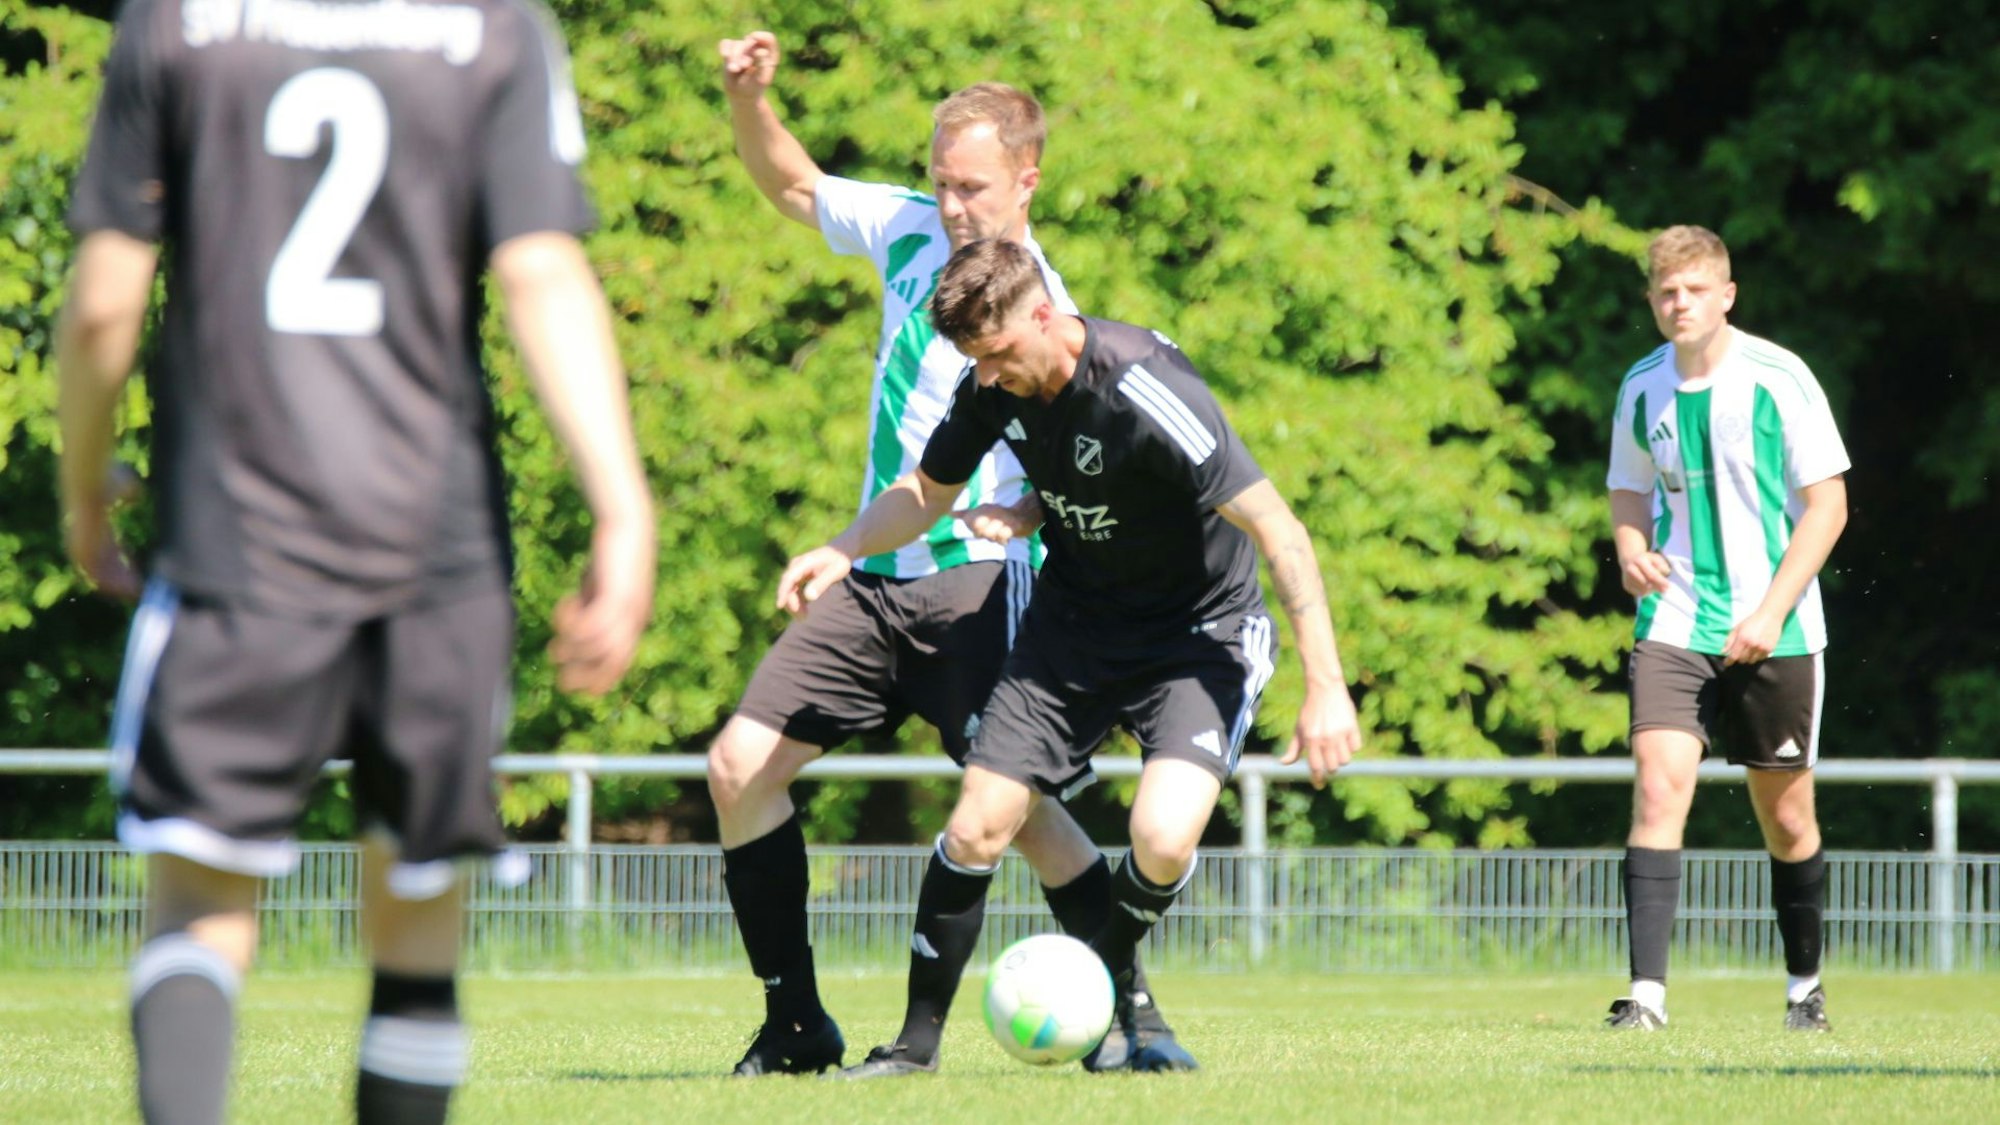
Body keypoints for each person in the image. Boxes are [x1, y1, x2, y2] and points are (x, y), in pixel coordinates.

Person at [57, 4, 656, 1122]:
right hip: (434, 549)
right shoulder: (494, 31)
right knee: (416, 917)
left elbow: (102, 305)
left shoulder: (178, 24)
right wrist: (621, 506)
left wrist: (82, 482)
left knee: (197, 907)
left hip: (233, 536)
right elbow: (542, 274)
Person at [709, 32, 1189, 1074]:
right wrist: (750, 99)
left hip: (975, 583)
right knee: (738, 767)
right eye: (941, 183)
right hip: (872, 572)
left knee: (1018, 816)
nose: (954, 205)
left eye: (972, 187)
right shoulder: (904, 229)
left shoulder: (1041, 307)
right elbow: (790, 186)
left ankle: (1130, 1010)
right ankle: (795, 1024)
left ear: (1026, 182)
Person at [768, 238, 1362, 1078]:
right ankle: (913, 1048)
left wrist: (1326, 686)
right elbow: (925, 494)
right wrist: (845, 547)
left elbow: (1281, 530)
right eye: (977, 360)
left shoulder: (1148, 385)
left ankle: (1111, 1002)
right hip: (1076, 624)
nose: (992, 375)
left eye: (1002, 352)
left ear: (1043, 313)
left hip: (1199, 635)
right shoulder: (992, 384)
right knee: (976, 822)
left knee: (1160, 837)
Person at [1603, 225, 1850, 1032]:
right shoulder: (1642, 386)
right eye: (1667, 292)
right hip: (1675, 619)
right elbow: (1629, 491)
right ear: (1652, 300)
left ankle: (1803, 987)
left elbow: (1830, 505)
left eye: (1696, 290)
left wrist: (1771, 611)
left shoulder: (1779, 379)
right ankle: (1646, 999)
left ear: (1727, 295)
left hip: (1774, 625)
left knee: (1786, 817)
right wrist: (1632, 548)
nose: (1680, 304)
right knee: (1658, 785)